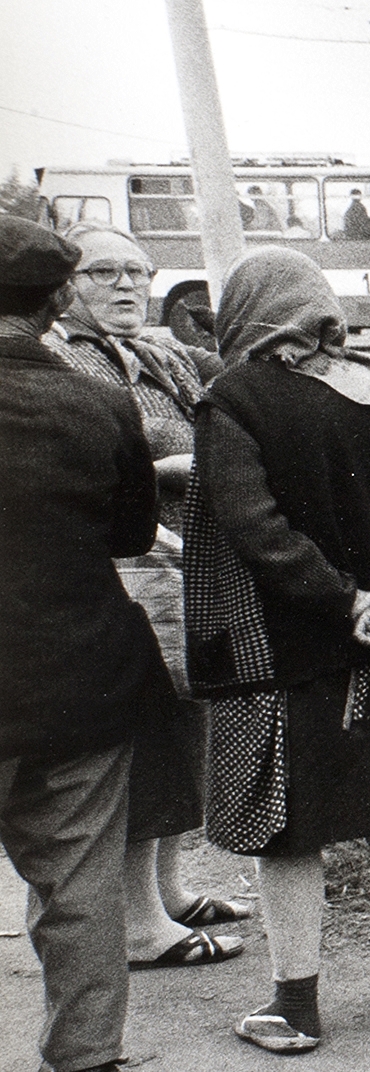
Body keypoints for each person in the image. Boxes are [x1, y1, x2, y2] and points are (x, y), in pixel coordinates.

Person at [184, 247, 370, 1055]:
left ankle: (295, 1008)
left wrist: (342, 602)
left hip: (287, 650)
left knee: (291, 831)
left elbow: (257, 531)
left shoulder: (232, 401)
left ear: (244, 313)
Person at [0, 214, 188, 1072]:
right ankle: (86, 1065)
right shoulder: (94, 401)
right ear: (53, 300)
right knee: (78, 878)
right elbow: (125, 534)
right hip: (76, 678)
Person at [48, 224, 251, 968]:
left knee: (190, 723)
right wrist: (177, 460)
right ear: (68, 283)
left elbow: (225, 399)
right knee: (150, 738)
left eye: (138, 270)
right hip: (130, 569)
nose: (128, 285)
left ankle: (169, 892)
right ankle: (139, 924)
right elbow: (117, 451)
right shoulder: (64, 356)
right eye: (105, 271)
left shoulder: (159, 349)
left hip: (190, 562)